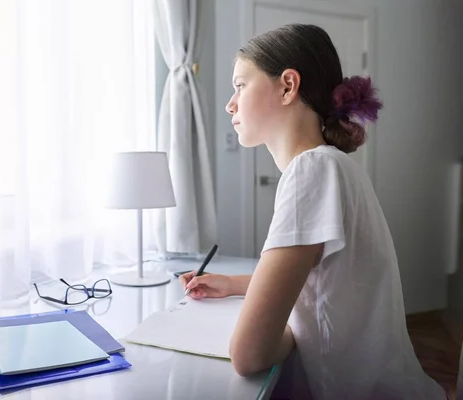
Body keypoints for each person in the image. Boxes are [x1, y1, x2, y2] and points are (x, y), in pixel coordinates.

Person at [180, 24, 446, 399]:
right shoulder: (335, 166)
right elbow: (327, 282)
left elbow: (248, 354)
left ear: (288, 86)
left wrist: (287, 332)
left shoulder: (311, 172)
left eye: (240, 85)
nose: (230, 103)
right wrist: (237, 285)